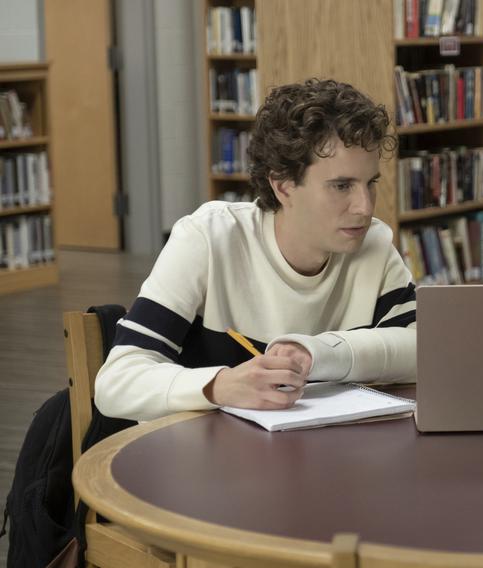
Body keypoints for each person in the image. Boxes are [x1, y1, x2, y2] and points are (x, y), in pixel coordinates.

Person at [95, 79, 417, 421]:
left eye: (371, 183)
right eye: (341, 186)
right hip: (204, 460)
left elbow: (425, 352)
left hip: (323, 460)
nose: (365, 207)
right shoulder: (208, 238)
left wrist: (315, 353)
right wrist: (221, 385)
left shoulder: (374, 246)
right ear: (283, 186)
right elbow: (116, 382)